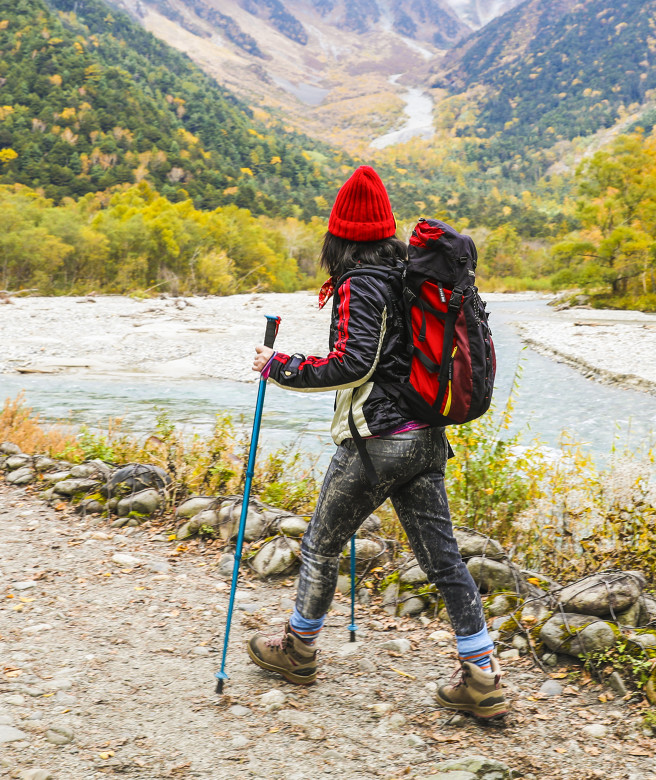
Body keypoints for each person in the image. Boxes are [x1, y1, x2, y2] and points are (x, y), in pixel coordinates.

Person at [245, 165, 508, 719]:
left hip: (378, 440)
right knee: (443, 560)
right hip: (425, 436)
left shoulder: (359, 284)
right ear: (385, 229)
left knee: (320, 545)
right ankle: (482, 675)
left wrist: (281, 367)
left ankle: (297, 650)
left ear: (337, 234)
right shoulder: (404, 273)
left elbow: (352, 363)